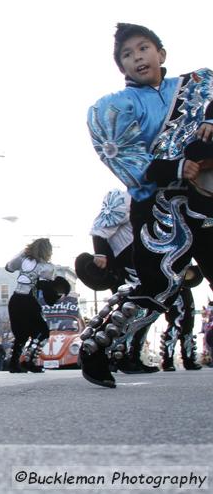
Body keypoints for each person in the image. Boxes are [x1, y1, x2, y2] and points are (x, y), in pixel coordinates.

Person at [80, 23, 213, 388]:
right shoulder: (117, 106)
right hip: (160, 207)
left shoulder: (199, 86)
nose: (137, 57)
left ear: (161, 54)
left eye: (143, 48)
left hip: (205, 202)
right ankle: (95, 349)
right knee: (158, 285)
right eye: (127, 54)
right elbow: (127, 160)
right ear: (121, 68)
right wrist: (175, 166)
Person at [76, 190, 157, 374]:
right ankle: (110, 355)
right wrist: (100, 252)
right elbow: (101, 224)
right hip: (126, 261)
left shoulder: (154, 198)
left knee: (145, 311)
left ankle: (131, 356)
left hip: (142, 261)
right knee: (131, 311)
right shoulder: (125, 196)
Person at [4, 238, 66, 374]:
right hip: (28, 300)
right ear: (48, 251)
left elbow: (8, 267)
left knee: (21, 334)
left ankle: (14, 363)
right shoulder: (47, 267)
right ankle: (29, 360)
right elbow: (47, 292)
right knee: (42, 331)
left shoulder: (23, 257)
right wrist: (58, 296)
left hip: (15, 299)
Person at [160, 265, 204, 371]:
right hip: (173, 288)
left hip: (186, 289)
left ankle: (188, 360)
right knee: (175, 324)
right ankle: (168, 361)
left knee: (188, 326)